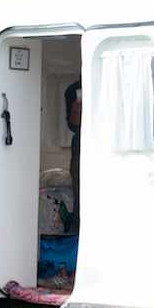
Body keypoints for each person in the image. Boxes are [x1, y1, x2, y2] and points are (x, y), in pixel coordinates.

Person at [64, 78, 82, 231]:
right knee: (79, 191)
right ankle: (78, 230)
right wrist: (76, 110)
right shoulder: (72, 90)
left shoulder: (107, 85)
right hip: (80, 145)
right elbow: (72, 125)